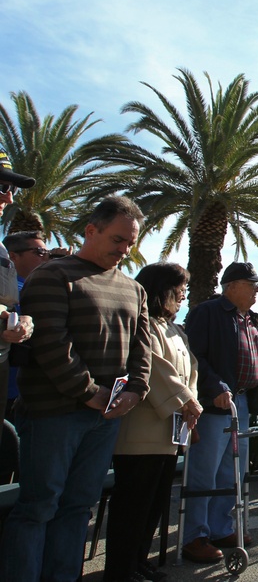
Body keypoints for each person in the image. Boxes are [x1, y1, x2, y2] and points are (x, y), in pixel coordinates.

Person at [1, 195, 151, 582]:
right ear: (91, 230)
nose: (124, 249)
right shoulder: (52, 276)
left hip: (106, 418)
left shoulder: (135, 290)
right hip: (54, 415)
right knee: (38, 506)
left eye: (130, 243)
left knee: (79, 506)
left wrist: (136, 390)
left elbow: (142, 348)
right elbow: (51, 343)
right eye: (118, 239)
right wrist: (90, 393)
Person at [181, 262, 258, 564]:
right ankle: (195, 536)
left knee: (232, 473)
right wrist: (214, 385)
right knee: (205, 472)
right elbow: (194, 355)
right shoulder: (207, 313)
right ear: (231, 286)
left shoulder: (251, 321)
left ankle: (220, 527)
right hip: (214, 403)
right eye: (251, 283)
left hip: (241, 404)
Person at [104, 262, 200, 582]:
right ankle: (120, 569)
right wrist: (185, 401)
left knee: (154, 504)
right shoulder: (144, 324)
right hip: (142, 430)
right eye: (179, 290)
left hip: (169, 430)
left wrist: (192, 400)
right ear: (161, 290)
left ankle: (138, 560)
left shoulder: (175, 329)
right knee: (133, 504)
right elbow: (155, 369)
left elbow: (191, 369)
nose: (183, 296)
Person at [3, 231, 46, 420]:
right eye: (38, 252)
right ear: (13, 256)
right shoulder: (16, 290)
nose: (46, 257)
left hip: (23, 392)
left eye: (48, 252)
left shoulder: (43, 287)